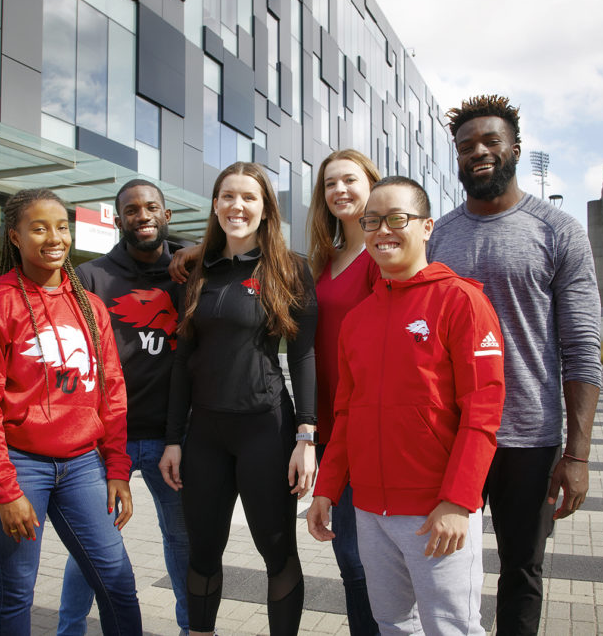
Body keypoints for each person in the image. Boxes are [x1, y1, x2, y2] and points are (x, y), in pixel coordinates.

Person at [430, 95, 602, 635]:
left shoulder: (558, 230)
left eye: (490, 142)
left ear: (515, 150)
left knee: (521, 569)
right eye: (466, 146)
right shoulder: (438, 236)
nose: (478, 152)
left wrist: (577, 453)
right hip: (448, 431)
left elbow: (581, 346)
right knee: (438, 558)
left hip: (528, 435)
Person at [308, 176, 505, 635]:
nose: (382, 231)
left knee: (451, 627)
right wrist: (327, 490)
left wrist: (459, 501)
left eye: (397, 218)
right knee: (393, 623)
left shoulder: (462, 301)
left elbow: (483, 411)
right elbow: (346, 416)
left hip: (437, 510)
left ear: (427, 226)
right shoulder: (357, 320)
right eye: (371, 220)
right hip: (371, 512)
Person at [0, 188, 142, 635]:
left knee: (117, 581)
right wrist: (6, 489)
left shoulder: (90, 306)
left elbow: (112, 391)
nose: (54, 237)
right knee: (18, 592)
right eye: (39, 228)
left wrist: (117, 468)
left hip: (82, 464)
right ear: (15, 237)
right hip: (19, 465)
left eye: (61, 226)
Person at [158, 161, 317, 636]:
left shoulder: (291, 269)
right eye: (228, 196)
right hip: (205, 434)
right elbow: (183, 361)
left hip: (266, 430)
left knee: (277, 551)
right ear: (215, 204)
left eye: (249, 197)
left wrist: (307, 436)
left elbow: (305, 356)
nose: (237, 206)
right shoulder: (196, 272)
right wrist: (173, 439)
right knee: (203, 551)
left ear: (266, 208)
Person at [58, 179, 189, 635]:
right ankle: (69, 629)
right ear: (119, 220)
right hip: (105, 440)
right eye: (131, 210)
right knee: (93, 546)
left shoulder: (187, 273)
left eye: (152, 207)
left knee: (183, 544)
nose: (143, 215)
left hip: (173, 439)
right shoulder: (91, 277)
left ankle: (193, 628)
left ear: (166, 216)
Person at [306, 149, 382, 635]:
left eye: (350, 180)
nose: (340, 191)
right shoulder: (321, 261)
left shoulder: (384, 254)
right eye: (330, 184)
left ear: (371, 185)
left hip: (371, 427)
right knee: (350, 563)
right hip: (331, 428)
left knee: (371, 562)